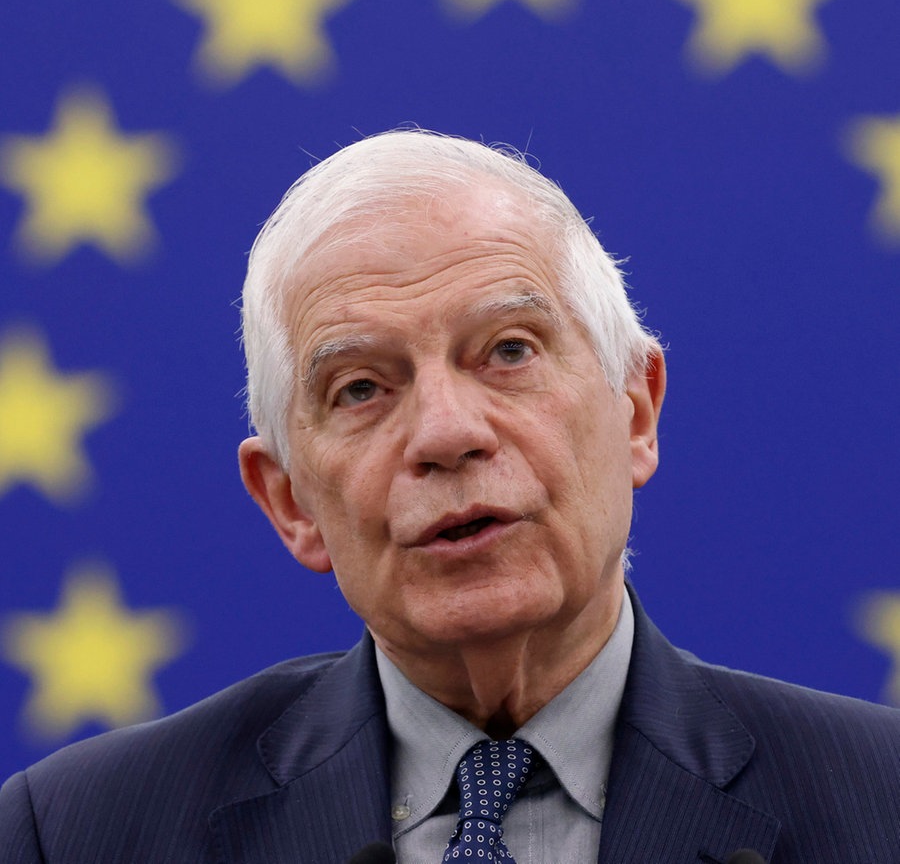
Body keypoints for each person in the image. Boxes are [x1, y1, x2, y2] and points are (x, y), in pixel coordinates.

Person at [1, 130, 898, 863]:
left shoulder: (878, 806)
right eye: (360, 389)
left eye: (509, 350)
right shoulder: (78, 834)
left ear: (636, 412)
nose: (444, 432)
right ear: (290, 504)